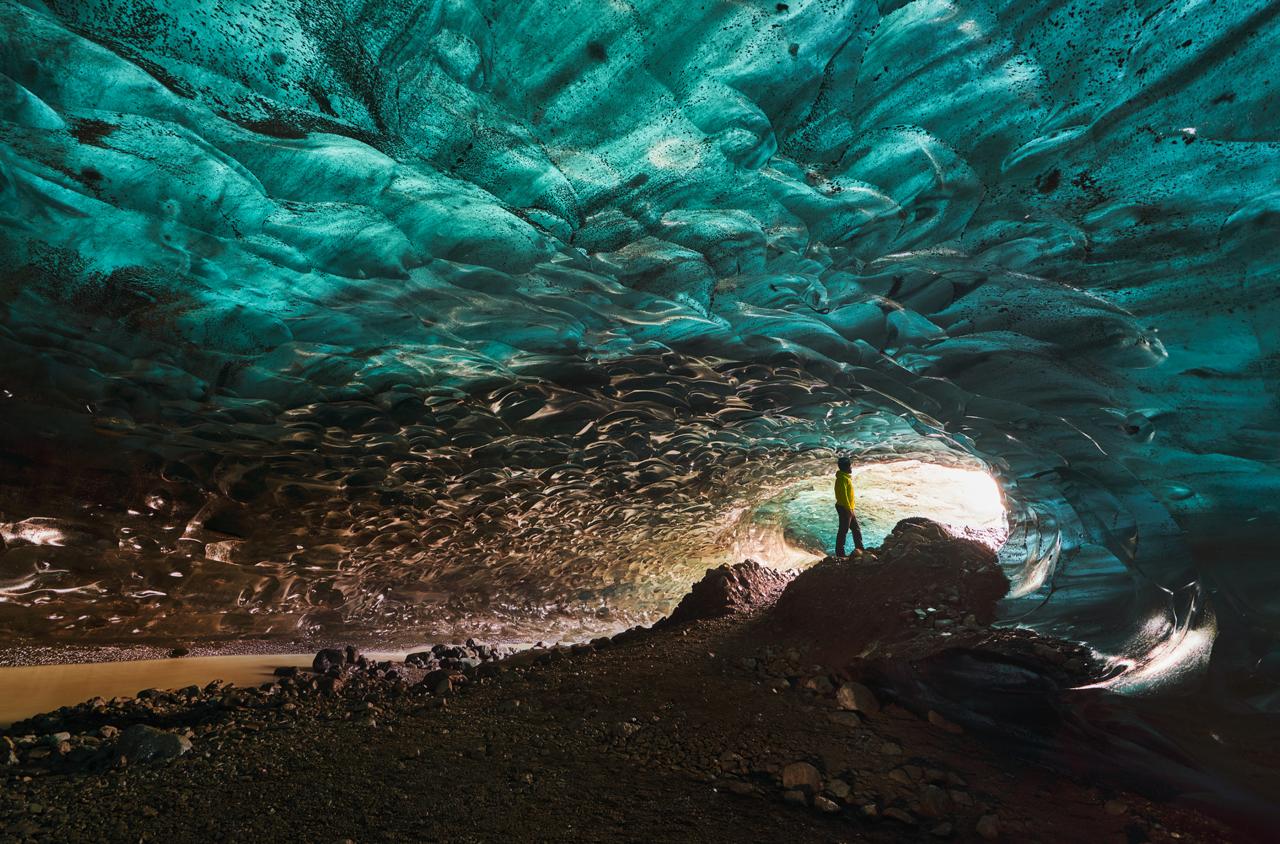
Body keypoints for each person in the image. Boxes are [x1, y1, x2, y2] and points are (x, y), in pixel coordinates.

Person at [834, 456, 864, 556]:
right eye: (850, 466)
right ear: (847, 468)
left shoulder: (845, 477)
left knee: (856, 529)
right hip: (844, 508)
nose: (851, 468)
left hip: (848, 508)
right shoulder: (842, 479)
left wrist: (850, 508)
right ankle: (840, 553)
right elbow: (843, 495)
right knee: (843, 530)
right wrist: (848, 509)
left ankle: (860, 549)